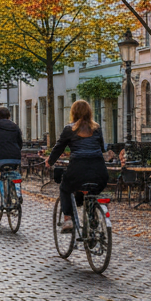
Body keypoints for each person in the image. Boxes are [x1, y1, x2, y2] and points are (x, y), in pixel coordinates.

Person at [45, 100, 112, 233]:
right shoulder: (97, 128)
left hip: (78, 170)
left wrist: (49, 161)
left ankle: (68, 219)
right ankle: (92, 218)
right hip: (99, 172)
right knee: (91, 191)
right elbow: (101, 148)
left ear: (73, 113)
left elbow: (59, 148)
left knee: (65, 188)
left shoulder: (69, 129)